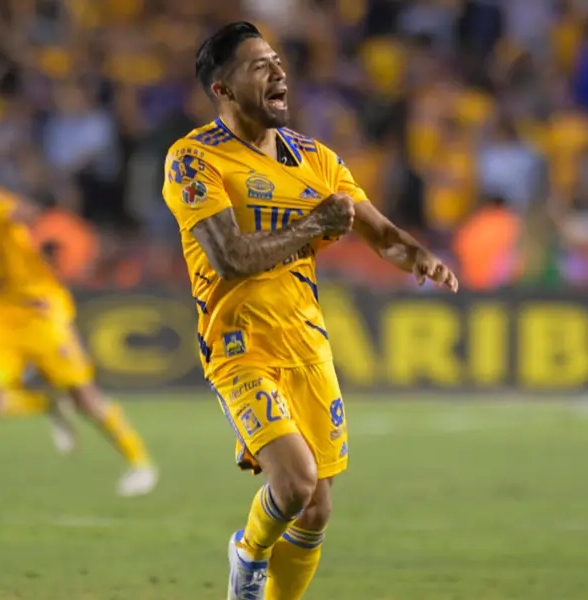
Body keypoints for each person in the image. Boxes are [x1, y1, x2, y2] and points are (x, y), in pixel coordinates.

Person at [161, 22, 459, 600]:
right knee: (293, 484)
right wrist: (314, 226)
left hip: (307, 343)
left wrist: (420, 257)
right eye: (258, 65)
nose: (278, 72)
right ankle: (247, 555)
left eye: (277, 61)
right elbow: (228, 257)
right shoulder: (193, 160)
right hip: (238, 344)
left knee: (317, 509)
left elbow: (382, 234)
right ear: (222, 89)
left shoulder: (315, 160)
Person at [0, 154, 158, 497]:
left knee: (85, 398)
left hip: (40, 313)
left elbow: (32, 216)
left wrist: (46, 236)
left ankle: (141, 464)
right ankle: (46, 404)